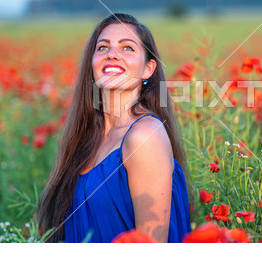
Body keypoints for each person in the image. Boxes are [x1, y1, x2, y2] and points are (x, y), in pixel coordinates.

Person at [37, 13, 192, 243]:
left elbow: (151, 247)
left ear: (148, 69)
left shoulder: (144, 136)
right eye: (102, 48)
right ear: (92, 64)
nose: (112, 54)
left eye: (127, 48)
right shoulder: (88, 137)